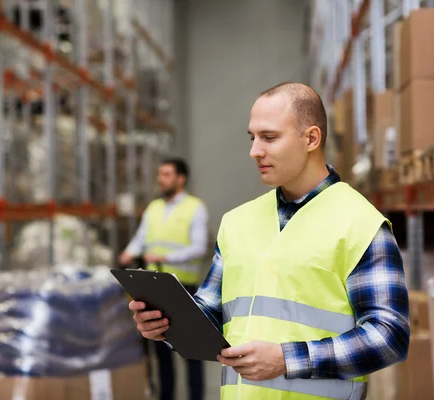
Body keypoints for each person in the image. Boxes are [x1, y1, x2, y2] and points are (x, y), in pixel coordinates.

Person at [129, 82, 410, 400]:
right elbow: (211, 310)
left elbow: (389, 336)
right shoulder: (237, 222)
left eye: (270, 137)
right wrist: (167, 324)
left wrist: (287, 360)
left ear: (311, 139)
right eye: (252, 138)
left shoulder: (360, 223)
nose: (254, 151)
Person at [119, 158, 207, 400]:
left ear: (181, 178)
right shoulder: (154, 208)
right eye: (160, 174)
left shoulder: (194, 207)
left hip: (184, 287)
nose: (161, 179)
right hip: (155, 288)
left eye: (167, 174)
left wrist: (165, 256)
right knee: (161, 351)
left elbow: (199, 247)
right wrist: (128, 252)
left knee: (193, 351)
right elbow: (142, 237)